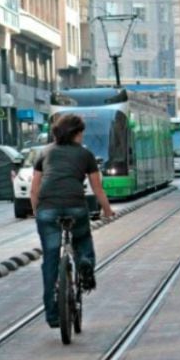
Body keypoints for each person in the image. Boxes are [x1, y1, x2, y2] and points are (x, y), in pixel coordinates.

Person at [29, 114, 115, 328]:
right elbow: (97, 188)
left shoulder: (44, 153)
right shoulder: (86, 154)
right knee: (83, 240)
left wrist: (37, 212)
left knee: (50, 259)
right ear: (76, 133)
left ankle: (52, 314)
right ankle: (84, 262)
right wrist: (107, 210)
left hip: (47, 210)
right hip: (76, 208)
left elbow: (34, 189)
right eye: (81, 132)